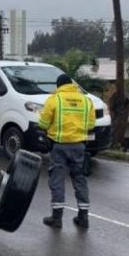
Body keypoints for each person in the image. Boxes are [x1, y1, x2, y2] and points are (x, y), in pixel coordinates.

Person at [37, 74, 96, 229]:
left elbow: (43, 123)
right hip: (79, 147)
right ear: (71, 85)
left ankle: (57, 219)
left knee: (57, 180)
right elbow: (91, 125)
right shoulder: (86, 100)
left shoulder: (54, 100)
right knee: (80, 181)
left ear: (58, 86)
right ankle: (83, 218)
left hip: (59, 147)